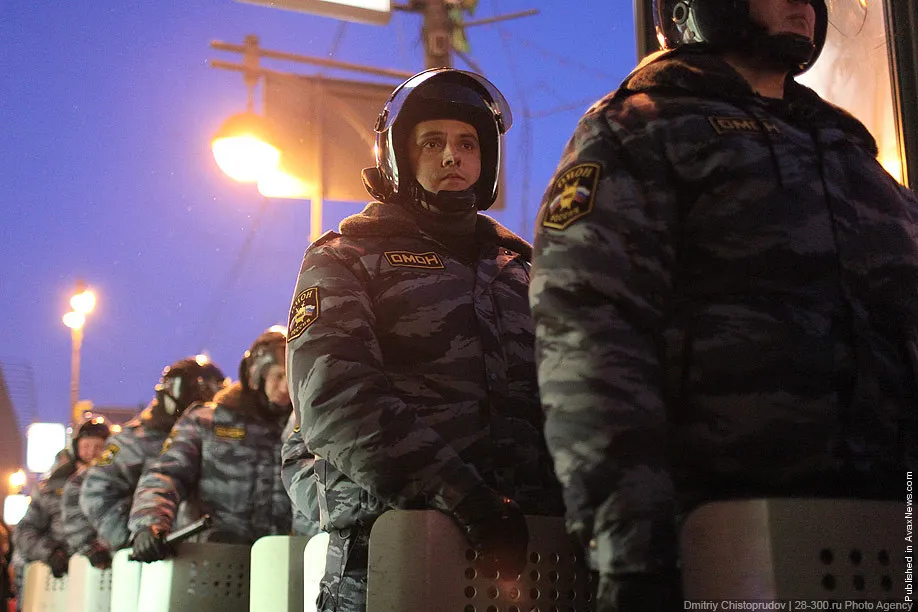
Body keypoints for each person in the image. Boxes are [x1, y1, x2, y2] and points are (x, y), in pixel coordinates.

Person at [529, 0, 918, 610]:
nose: (801, 4)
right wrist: (633, 554)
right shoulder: (638, 129)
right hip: (721, 538)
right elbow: (591, 336)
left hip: (885, 533)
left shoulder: (850, 153)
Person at [284, 67, 564, 612]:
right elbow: (336, 399)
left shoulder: (524, 271)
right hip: (389, 555)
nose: (452, 157)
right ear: (398, 156)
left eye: (467, 143)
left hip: (525, 559)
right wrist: (465, 497)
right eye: (431, 142)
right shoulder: (345, 258)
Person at [128, 329, 292, 561]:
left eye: (292, 377)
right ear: (257, 375)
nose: (286, 386)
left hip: (278, 564)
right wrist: (149, 523)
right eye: (279, 376)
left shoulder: (300, 427)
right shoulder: (206, 422)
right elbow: (166, 475)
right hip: (210, 561)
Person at [70, 357, 226, 560]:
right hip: (148, 560)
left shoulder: (210, 434)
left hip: (200, 555)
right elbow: (96, 492)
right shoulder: (132, 440)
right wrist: (133, 540)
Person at [13, 417, 110, 578]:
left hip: (102, 573)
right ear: (75, 447)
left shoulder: (116, 484)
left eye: (99, 447)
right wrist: (51, 552)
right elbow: (24, 531)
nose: (92, 452)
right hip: (61, 577)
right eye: (86, 446)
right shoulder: (51, 488)